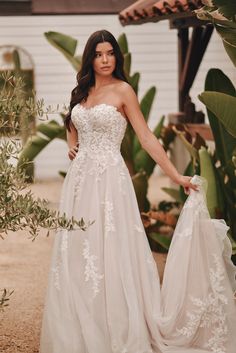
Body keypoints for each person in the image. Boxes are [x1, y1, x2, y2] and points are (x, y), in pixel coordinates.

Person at [39, 30, 236, 353]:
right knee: (78, 252)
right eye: (99, 54)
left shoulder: (123, 91)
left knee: (110, 251)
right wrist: (73, 146)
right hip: (79, 183)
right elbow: (72, 123)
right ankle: (79, 328)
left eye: (110, 53)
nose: (105, 60)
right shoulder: (82, 91)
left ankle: (115, 328)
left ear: (117, 57)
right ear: (90, 58)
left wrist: (176, 175)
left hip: (109, 182)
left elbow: (146, 137)